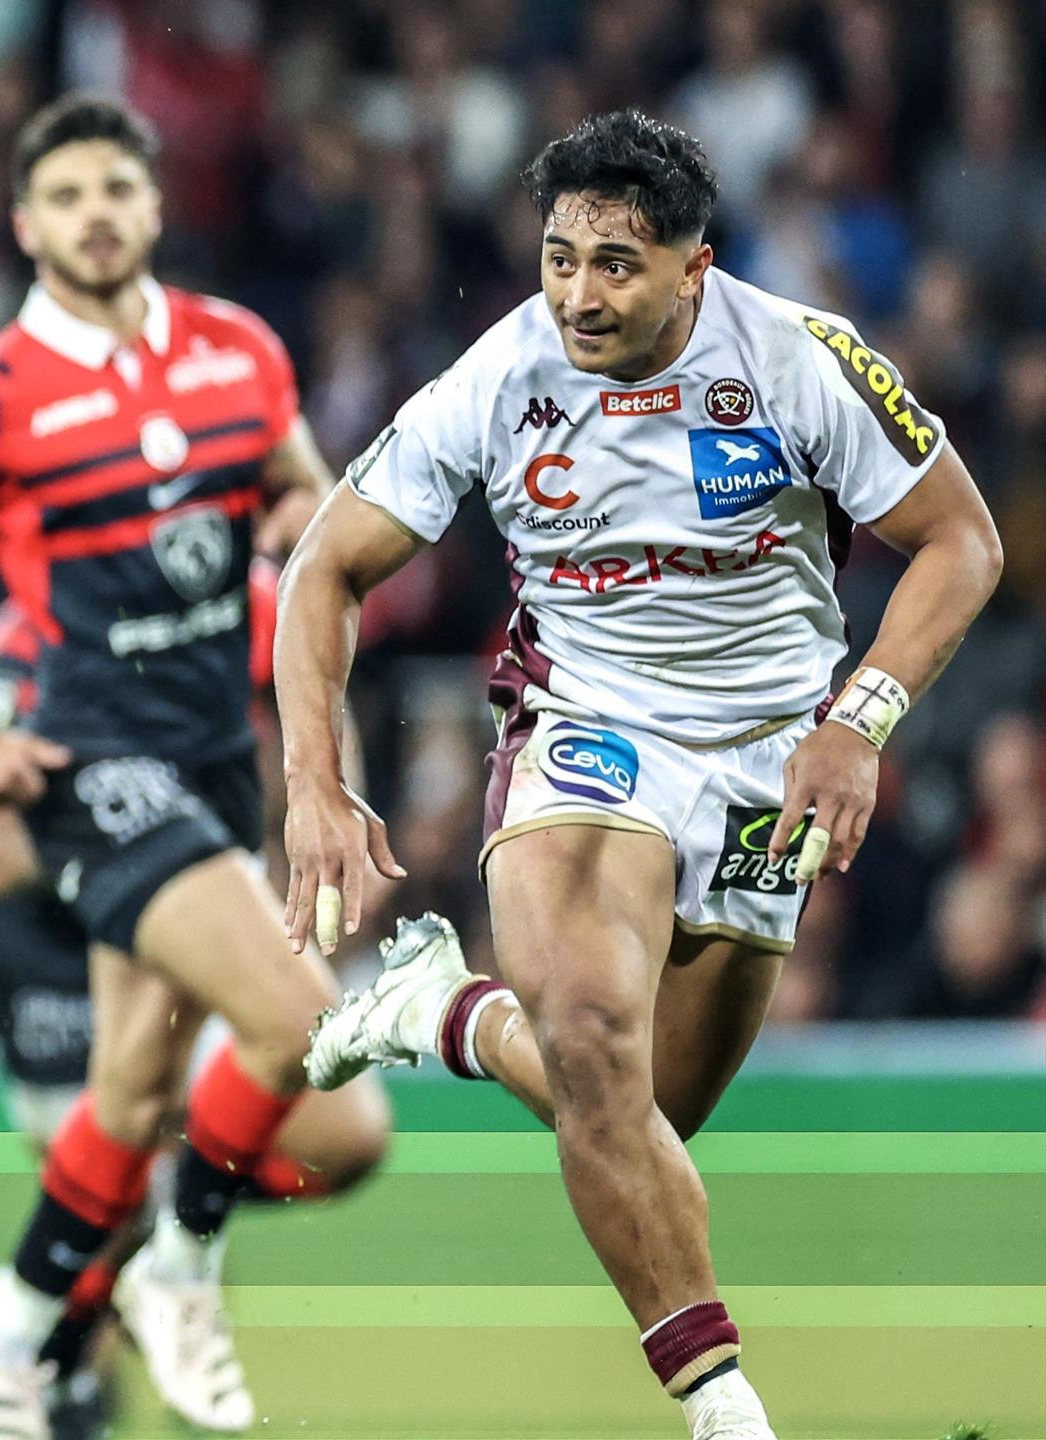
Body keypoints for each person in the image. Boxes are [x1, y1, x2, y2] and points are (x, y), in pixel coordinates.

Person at [284, 111, 1002, 1440]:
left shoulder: (797, 361)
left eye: (617, 265)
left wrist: (863, 717)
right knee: (598, 1063)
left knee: (636, 1120)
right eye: (559, 258)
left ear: (696, 267)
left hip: (767, 762)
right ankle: (729, 1414)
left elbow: (963, 542)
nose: (578, 294)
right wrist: (315, 784)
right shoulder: (499, 376)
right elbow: (324, 568)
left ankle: (445, 1016)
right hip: (588, 729)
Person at [0, 94, 391, 1439]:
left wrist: (323, 748)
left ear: (152, 207)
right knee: (307, 1034)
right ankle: (180, 1270)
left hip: (210, 763)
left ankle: (9, 1339)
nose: (94, 214)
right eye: (66, 195)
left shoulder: (239, 352)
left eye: (115, 190)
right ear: (27, 226)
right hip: (91, 765)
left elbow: (301, 511)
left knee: (138, 1091)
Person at [0, 596, 386, 1440]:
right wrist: (146, 852)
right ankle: (73, 1355)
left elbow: (313, 675)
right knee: (115, 1180)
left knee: (347, 1137)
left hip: (175, 948)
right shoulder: (12, 645)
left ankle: (119, 1281)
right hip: (51, 974)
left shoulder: (196, 623)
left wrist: (304, 807)